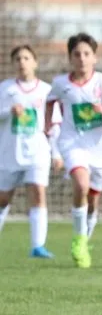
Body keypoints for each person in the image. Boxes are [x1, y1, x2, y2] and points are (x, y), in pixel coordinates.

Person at [45, 32, 102, 269]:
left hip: (100, 148)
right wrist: (47, 126)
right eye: (77, 54)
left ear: (94, 58)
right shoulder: (61, 83)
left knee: (93, 200)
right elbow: (50, 100)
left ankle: (85, 237)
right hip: (72, 143)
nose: (82, 58)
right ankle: (78, 240)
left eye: (86, 54)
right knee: (81, 185)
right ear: (70, 57)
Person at [0, 45, 61, 258]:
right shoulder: (5, 89)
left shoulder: (46, 91)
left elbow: (53, 125)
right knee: (3, 198)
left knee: (38, 192)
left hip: (38, 152)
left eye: (26, 58)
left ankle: (38, 246)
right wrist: (9, 112)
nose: (22, 62)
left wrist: (57, 153)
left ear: (35, 62)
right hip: (10, 152)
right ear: (13, 63)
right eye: (17, 58)